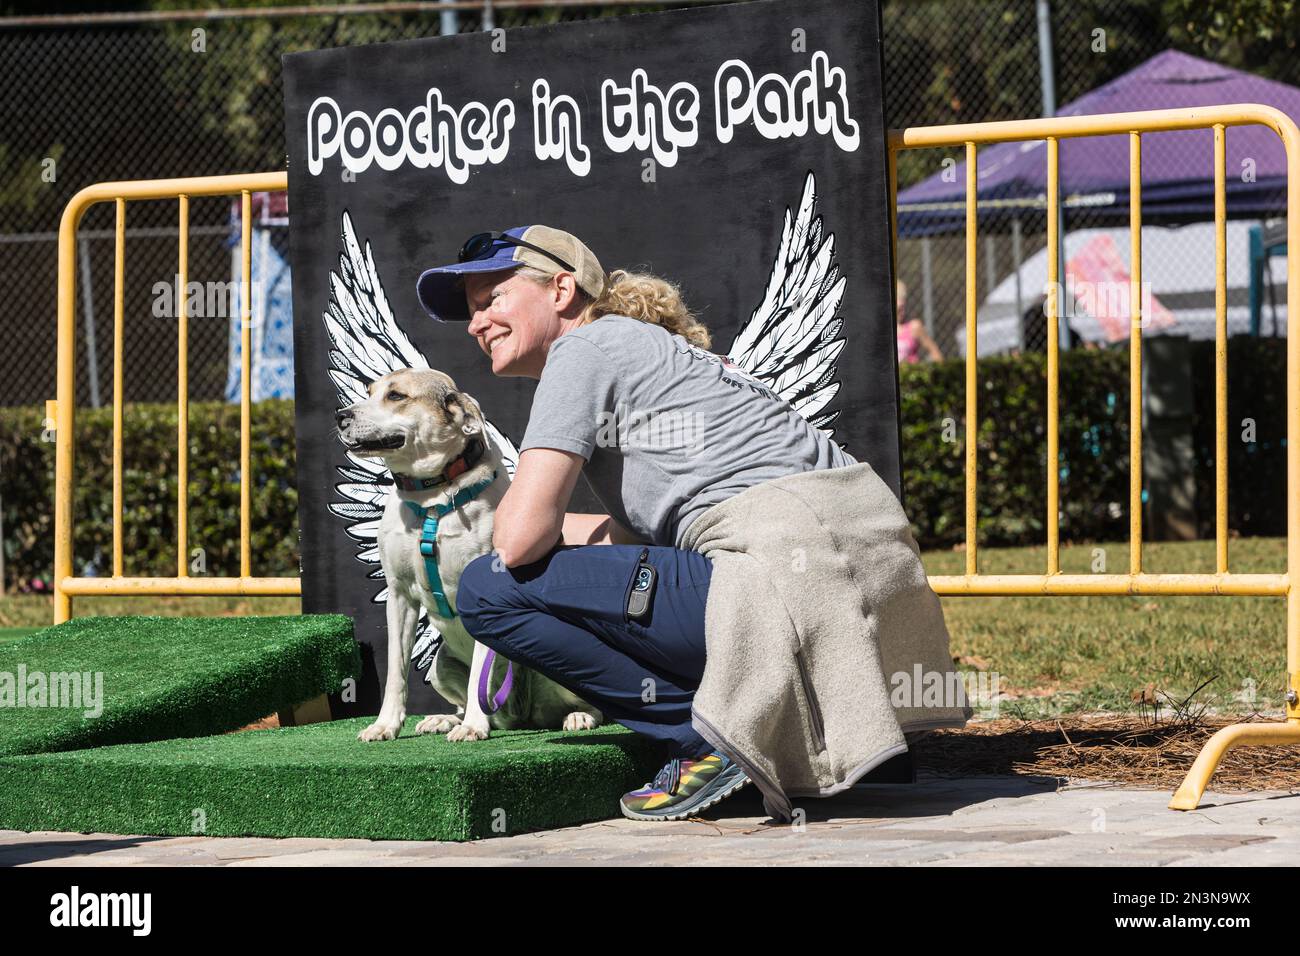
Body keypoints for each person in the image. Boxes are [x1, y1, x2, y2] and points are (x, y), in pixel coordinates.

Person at [414, 226, 857, 821]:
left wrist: (509, 522)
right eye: (471, 312)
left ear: (562, 290)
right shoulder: (658, 352)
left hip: (784, 587)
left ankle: (711, 739)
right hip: (851, 602)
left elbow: (517, 546)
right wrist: (526, 517)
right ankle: (775, 726)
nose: (476, 323)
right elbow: (640, 542)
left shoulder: (584, 350)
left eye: (491, 299)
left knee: (490, 589)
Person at [896, 279, 944, 364]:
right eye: (898, 309)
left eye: (902, 308)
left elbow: (934, 351)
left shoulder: (914, 327)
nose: (901, 312)